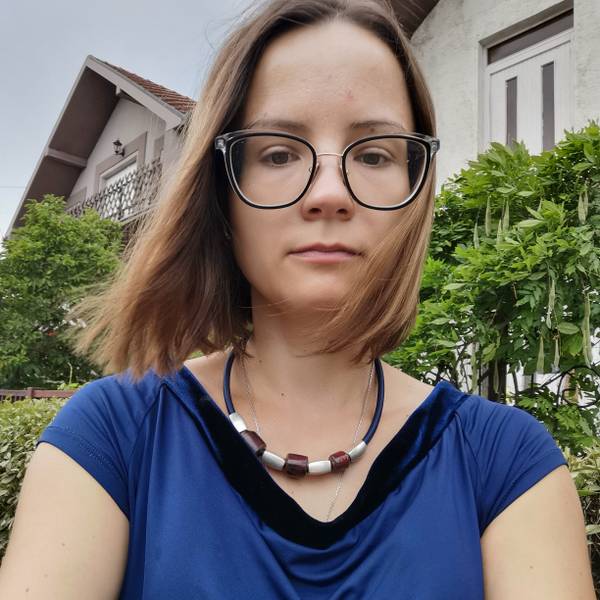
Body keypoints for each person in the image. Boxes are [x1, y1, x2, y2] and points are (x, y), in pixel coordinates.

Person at [0, 0, 594, 598]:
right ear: (221, 192)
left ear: (416, 193)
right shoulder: (113, 436)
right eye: (279, 153)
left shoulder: (507, 464)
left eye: (374, 154)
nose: (330, 193)